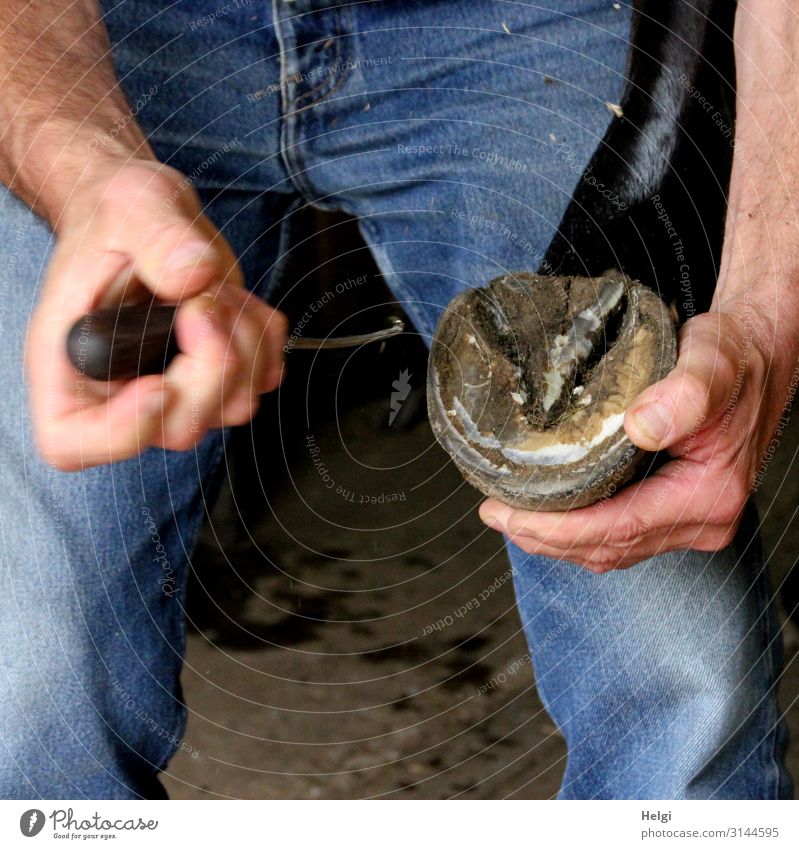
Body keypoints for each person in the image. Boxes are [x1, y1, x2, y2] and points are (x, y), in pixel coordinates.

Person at [0, 0, 793, 799]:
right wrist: (75, 158)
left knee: (677, 660)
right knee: (22, 685)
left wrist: (765, 305)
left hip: (517, 28)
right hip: (106, 38)